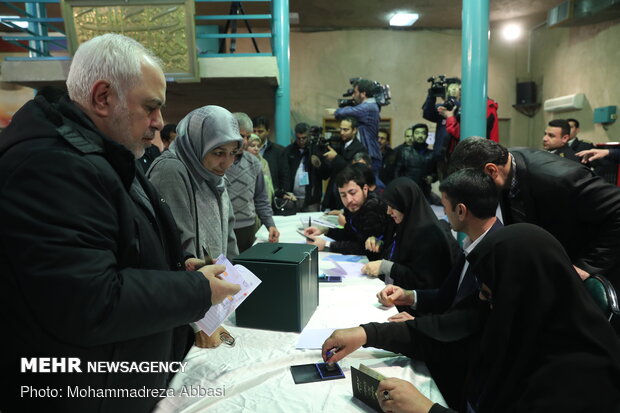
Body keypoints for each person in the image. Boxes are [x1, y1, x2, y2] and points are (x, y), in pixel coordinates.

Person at [0, 34, 240, 413]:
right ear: (102, 97)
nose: (159, 122)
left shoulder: (104, 154)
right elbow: (88, 301)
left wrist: (175, 270)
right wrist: (193, 290)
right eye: (151, 107)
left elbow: (116, 251)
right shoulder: (50, 166)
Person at [325, 224, 620, 413]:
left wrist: (427, 410)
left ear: (520, 292)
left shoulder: (583, 372)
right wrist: (366, 334)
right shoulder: (519, 316)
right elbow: (446, 336)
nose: (483, 302)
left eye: (491, 296)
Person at [448, 137, 620, 290]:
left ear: (491, 171)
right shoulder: (506, 164)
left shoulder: (561, 178)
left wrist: (586, 266)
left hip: (595, 269)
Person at [147, 105, 241, 261]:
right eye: (218, 153)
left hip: (212, 279)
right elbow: (180, 245)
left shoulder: (215, 176)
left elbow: (229, 238)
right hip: (188, 281)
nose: (227, 163)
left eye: (233, 153)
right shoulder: (170, 170)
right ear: (196, 144)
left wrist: (236, 278)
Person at [361, 177, 458, 291]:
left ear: (406, 203)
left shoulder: (429, 235)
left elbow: (423, 281)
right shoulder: (404, 224)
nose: (388, 211)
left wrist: (386, 267)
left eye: (393, 206)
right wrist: (379, 245)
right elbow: (399, 255)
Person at [304, 166, 388, 259]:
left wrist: (327, 244)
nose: (349, 200)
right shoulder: (353, 206)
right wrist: (325, 230)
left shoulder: (373, 207)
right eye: (343, 195)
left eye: (352, 193)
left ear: (365, 189)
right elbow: (350, 234)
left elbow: (364, 247)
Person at [228, 113, 280, 252]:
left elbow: (261, 198)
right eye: (241, 135)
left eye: (248, 136)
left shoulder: (254, 163)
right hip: (223, 228)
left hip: (248, 228)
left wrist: (270, 224)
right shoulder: (218, 163)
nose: (245, 141)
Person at [333, 78, 382, 176]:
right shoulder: (370, 106)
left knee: (369, 187)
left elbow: (342, 113)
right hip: (368, 155)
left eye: (355, 92)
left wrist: (335, 111)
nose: (353, 95)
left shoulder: (368, 107)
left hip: (370, 157)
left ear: (363, 94)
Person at [319, 117, 368, 210]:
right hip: (332, 191)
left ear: (354, 130)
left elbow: (355, 172)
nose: (342, 132)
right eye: (341, 129)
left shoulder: (360, 149)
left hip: (348, 194)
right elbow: (326, 173)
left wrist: (336, 157)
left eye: (345, 130)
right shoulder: (337, 144)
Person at [393, 124, 438, 204]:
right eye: (417, 133)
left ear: (427, 135)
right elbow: (396, 173)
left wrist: (432, 177)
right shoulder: (404, 152)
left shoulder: (432, 154)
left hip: (425, 192)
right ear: (413, 135)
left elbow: (436, 173)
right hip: (407, 191)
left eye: (423, 133)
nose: (420, 136)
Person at [284, 122, 321, 211]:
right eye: (298, 138)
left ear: (309, 136)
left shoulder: (316, 149)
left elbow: (325, 174)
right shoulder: (289, 150)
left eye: (304, 138)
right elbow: (283, 173)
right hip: (292, 198)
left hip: (312, 199)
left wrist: (319, 164)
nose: (301, 141)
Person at [252, 115, 291, 196]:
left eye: (260, 131)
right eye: (254, 131)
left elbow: (284, 176)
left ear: (267, 132)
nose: (256, 134)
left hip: (272, 195)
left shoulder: (279, 151)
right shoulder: (245, 149)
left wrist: (282, 193)